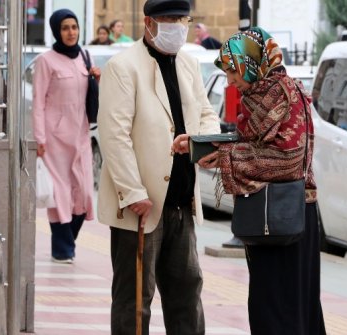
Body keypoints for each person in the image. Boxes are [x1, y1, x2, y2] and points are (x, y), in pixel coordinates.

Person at [97, 0, 220, 333]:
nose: (177, 26)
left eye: (182, 19)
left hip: (181, 201)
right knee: (135, 299)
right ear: (149, 22)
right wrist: (133, 192)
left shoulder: (189, 65)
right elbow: (114, 136)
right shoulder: (123, 67)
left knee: (187, 292)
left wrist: (201, 141)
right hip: (141, 205)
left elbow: (207, 115)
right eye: (168, 19)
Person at [194, 28, 327, 334]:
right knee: (275, 305)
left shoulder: (280, 93)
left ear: (251, 63)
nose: (230, 81)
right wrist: (216, 147)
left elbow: (288, 159)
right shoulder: (263, 94)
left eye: (233, 71)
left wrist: (228, 156)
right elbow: (256, 146)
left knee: (282, 308)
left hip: (286, 215)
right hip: (275, 216)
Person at [32, 8, 100, 264]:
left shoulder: (85, 56)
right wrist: (40, 139)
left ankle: (68, 241)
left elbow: (87, 96)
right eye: (65, 28)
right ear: (56, 31)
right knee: (59, 192)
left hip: (81, 134)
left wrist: (97, 79)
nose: (71, 33)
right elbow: (38, 102)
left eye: (74, 27)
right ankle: (62, 248)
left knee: (82, 191)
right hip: (54, 137)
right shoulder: (45, 61)